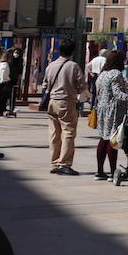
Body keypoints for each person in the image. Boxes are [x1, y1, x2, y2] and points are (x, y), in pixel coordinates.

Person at [42, 39, 87, 175]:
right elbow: (81, 85)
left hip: (52, 101)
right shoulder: (73, 66)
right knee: (68, 132)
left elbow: (44, 84)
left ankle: (54, 163)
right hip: (66, 101)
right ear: (72, 51)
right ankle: (64, 163)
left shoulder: (51, 65)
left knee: (54, 133)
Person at [93, 50, 128, 180]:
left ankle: (100, 171)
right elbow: (118, 94)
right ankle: (113, 172)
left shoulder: (102, 74)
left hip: (102, 109)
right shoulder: (116, 74)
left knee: (103, 138)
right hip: (113, 110)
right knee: (113, 140)